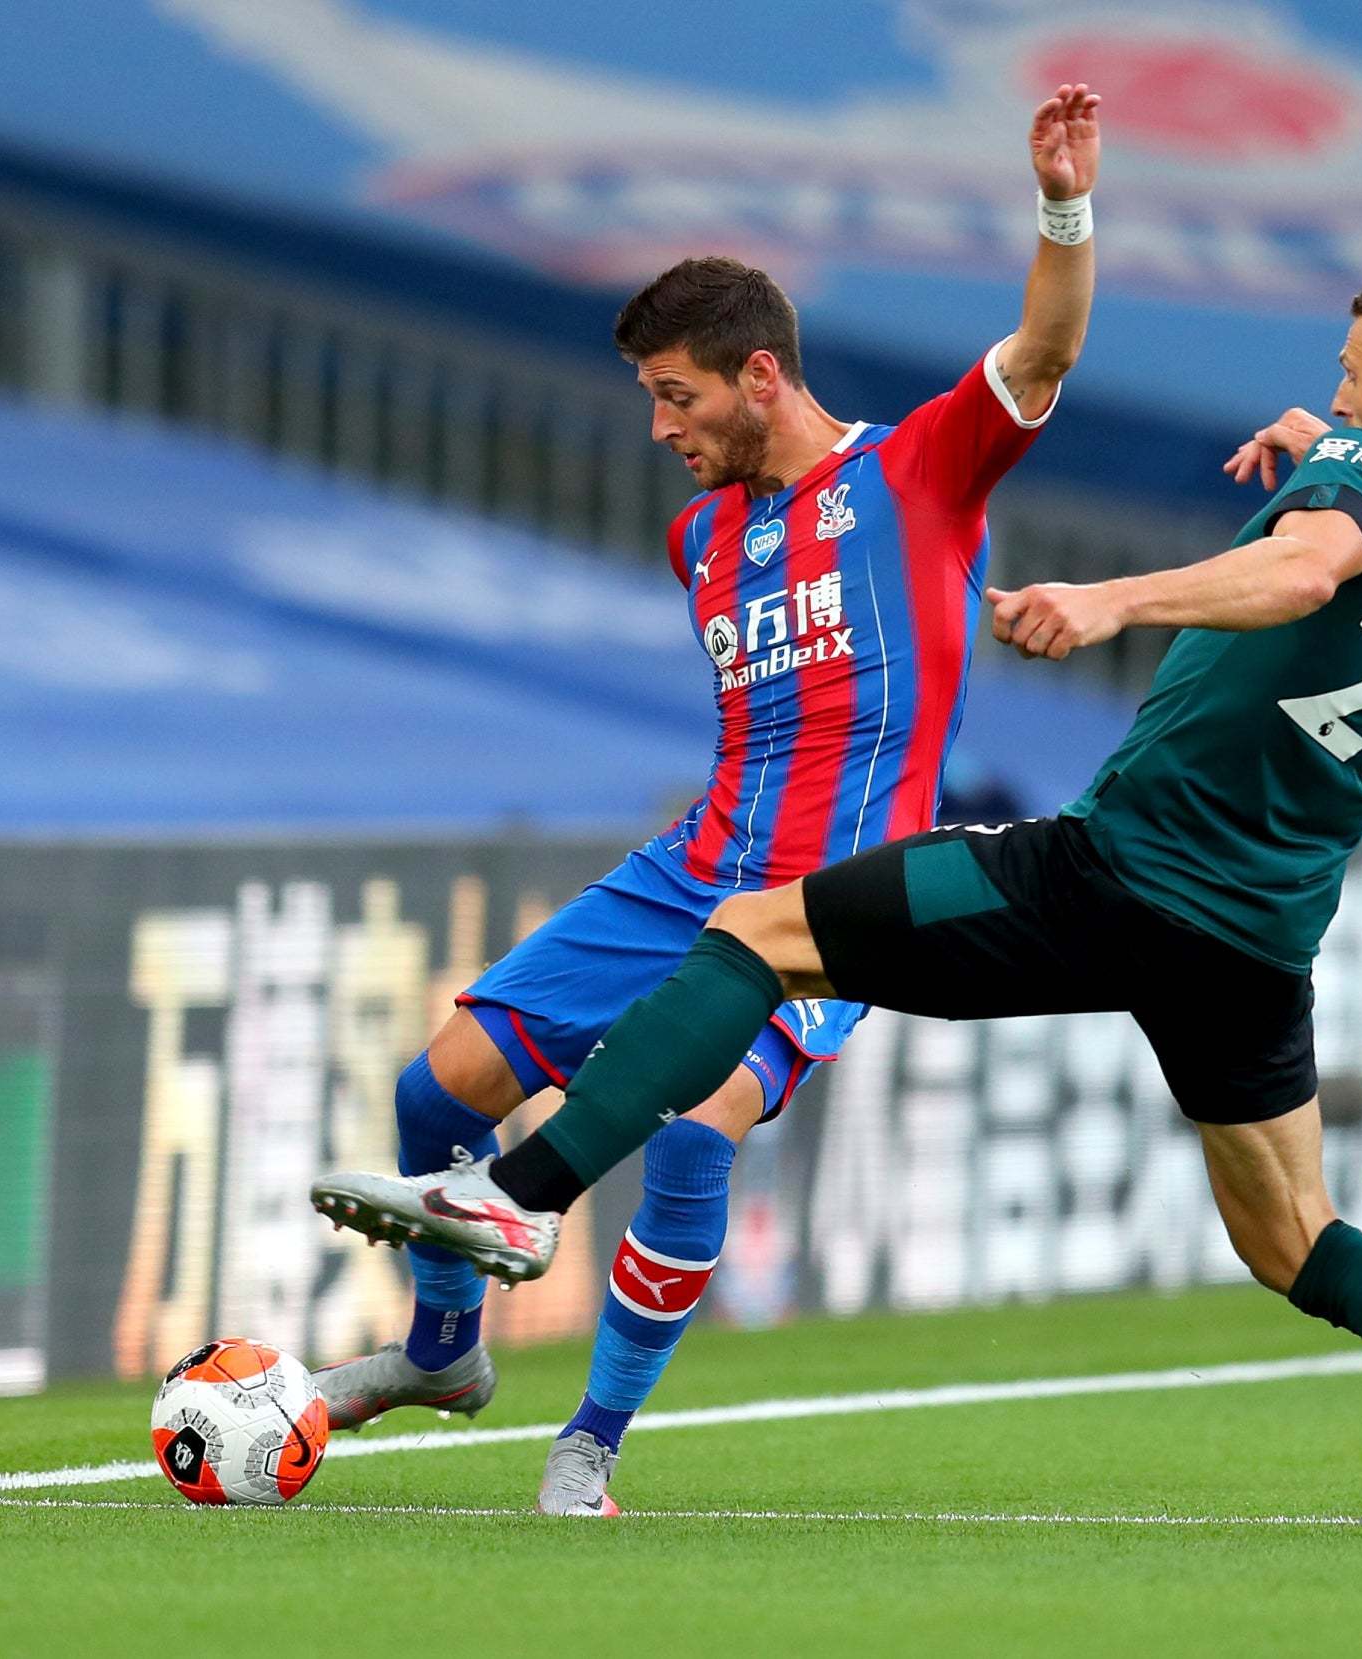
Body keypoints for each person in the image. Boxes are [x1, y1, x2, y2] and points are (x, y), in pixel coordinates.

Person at [314, 266, 1362, 1540]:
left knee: (755, 932)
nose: (1330, 391)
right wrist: (1344, 454)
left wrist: (1117, 598)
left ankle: (518, 1195)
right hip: (1262, 933)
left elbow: (1306, 567)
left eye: (1350, 371)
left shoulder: (1357, 473)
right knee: (1300, 1239)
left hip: (1119, 873)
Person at [308, 85, 1103, 1518]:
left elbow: (1044, 347)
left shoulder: (917, 474)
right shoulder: (702, 538)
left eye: (677, 396)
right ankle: (443, 1357)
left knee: (691, 1121)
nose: (663, 428)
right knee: (438, 1089)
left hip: (830, 902)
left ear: (760, 375)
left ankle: (592, 1440)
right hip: (694, 867)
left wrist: (1061, 204)